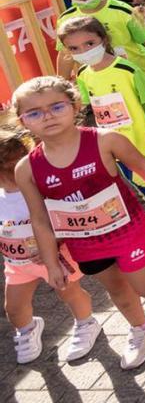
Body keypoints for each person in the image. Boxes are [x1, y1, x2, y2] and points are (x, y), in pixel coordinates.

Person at [13, 77, 145, 368]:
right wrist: (51, 264)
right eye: (35, 112)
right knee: (117, 290)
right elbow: (39, 219)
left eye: (56, 107)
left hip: (126, 230)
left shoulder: (106, 139)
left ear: (75, 106)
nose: (48, 116)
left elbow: (142, 165)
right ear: (22, 120)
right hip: (84, 243)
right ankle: (142, 328)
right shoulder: (26, 168)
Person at [59, 17, 145, 222]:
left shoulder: (126, 69)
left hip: (138, 135)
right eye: (74, 48)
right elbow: (87, 104)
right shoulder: (82, 74)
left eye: (89, 43)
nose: (84, 51)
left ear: (104, 39)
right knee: (133, 176)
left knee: (140, 175)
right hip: (110, 138)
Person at [1, 131, 99, 365]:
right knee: (13, 307)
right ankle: (27, 330)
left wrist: (54, 242)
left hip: (53, 257)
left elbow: (63, 216)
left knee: (69, 292)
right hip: (18, 264)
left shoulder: (40, 188)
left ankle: (86, 323)